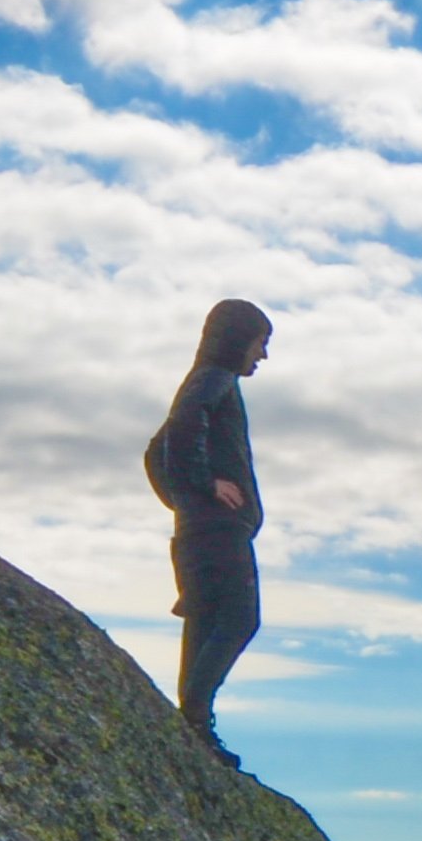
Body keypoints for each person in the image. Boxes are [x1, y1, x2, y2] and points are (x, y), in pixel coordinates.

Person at [147, 299, 272, 762]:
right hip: (217, 530)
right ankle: (196, 714)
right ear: (236, 340)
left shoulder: (207, 382)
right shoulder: (214, 380)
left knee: (205, 618)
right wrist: (201, 486)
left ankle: (193, 719)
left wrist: (183, 500)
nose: (261, 355)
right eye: (259, 343)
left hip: (200, 528)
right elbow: (176, 433)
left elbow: (155, 449)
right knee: (238, 618)